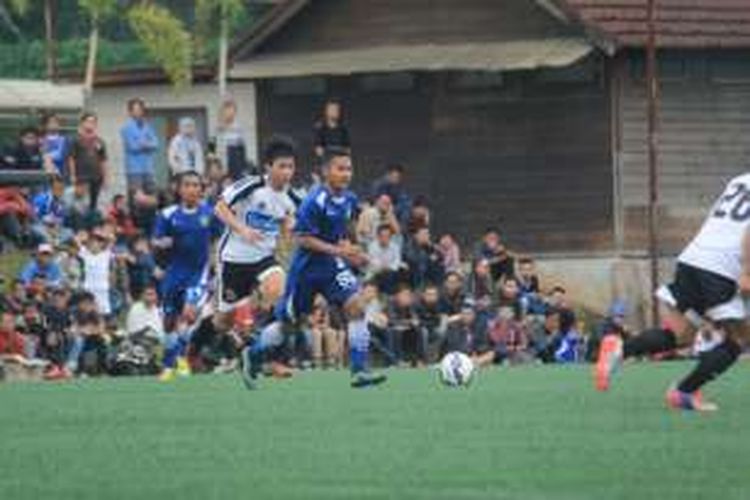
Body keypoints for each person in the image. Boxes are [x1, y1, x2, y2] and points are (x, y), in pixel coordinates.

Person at [596, 173, 750, 412]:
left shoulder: (740, 179)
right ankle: (684, 392)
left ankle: (620, 349)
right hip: (721, 267)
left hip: (694, 257)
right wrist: (747, 273)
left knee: (682, 335)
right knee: (738, 339)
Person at [250, 147, 387, 389]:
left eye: (349, 169)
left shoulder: (348, 198)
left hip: (332, 266)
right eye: (340, 168)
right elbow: (302, 239)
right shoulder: (314, 201)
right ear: (326, 171)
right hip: (305, 270)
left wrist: (356, 251)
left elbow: (346, 228)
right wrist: (339, 251)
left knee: (356, 306)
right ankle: (254, 355)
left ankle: (359, 370)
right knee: (288, 325)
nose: (346, 174)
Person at [213, 135, 300, 377]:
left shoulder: (292, 198)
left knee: (279, 291)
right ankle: (230, 329)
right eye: (281, 166)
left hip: (263, 258)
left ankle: (267, 356)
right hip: (233, 259)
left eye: (291, 167)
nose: (287, 172)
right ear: (268, 167)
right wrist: (242, 229)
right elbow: (219, 207)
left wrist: (288, 234)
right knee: (223, 322)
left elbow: (288, 224)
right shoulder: (251, 185)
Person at [152, 171, 220, 380]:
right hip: (173, 274)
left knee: (189, 315)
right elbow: (155, 241)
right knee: (169, 322)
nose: (192, 189)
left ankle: (178, 361)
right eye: (188, 185)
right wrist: (161, 244)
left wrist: (216, 267)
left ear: (201, 189)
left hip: (197, 274)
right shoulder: (167, 214)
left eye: (196, 185)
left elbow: (218, 241)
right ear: (179, 189)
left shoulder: (210, 214)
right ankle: (171, 362)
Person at [68, 112, 108, 212]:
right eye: (88, 121)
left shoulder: (100, 141)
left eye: (93, 122)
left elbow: (103, 160)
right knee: (80, 205)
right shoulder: (76, 139)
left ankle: (92, 225)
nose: (91, 124)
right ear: (82, 123)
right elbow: (71, 158)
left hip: (96, 177)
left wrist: (105, 178)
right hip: (82, 176)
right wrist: (72, 175)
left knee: (94, 205)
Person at [121, 98, 159, 195]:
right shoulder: (126, 128)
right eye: (135, 110)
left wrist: (144, 144)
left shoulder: (148, 126)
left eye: (140, 109)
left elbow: (155, 143)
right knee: (137, 198)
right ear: (130, 112)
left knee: (151, 195)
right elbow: (133, 147)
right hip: (134, 169)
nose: (138, 112)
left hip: (148, 168)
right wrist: (147, 144)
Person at [77, 229, 114, 318]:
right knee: (87, 314)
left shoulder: (106, 254)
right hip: (88, 289)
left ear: (101, 244)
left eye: (98, 242)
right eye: (92, 242)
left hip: (102, 289)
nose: (95, 244)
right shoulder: (85, 254)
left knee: (103, 315)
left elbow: (112, 238)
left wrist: (101, 233)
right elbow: (77, 240)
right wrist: (83, 236)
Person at [212, 99, 247, 180]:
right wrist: (212, 163)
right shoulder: (217, 127)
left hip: (234, 164)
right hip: (219, 164)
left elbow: (242, 149)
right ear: (223, 112)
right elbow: (211, 146)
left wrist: (243, 167)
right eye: (227, 111)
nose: (230, 114)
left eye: (232, 111)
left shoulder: (238, 128)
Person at [366, 224, 404, 294]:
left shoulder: (395, 246)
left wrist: (389, 267)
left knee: (400, 271)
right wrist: (383, 267)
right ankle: (387, 294)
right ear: (378, 237)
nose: (385, 238)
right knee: (385, 275)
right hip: (376, 272)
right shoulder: (372, 246)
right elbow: (373, 262)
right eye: (383, 236)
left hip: (391, 271)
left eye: (388, 236)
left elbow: (397, 261)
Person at [40, 113, 69, 177]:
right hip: (44, 174)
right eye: (51, 122)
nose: (54, 124)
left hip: (62, 173)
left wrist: (49, 156)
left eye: (56, 122)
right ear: (45, 125)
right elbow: (41, 155)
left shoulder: (65, 140)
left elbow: (62, 155)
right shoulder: (41, 140)